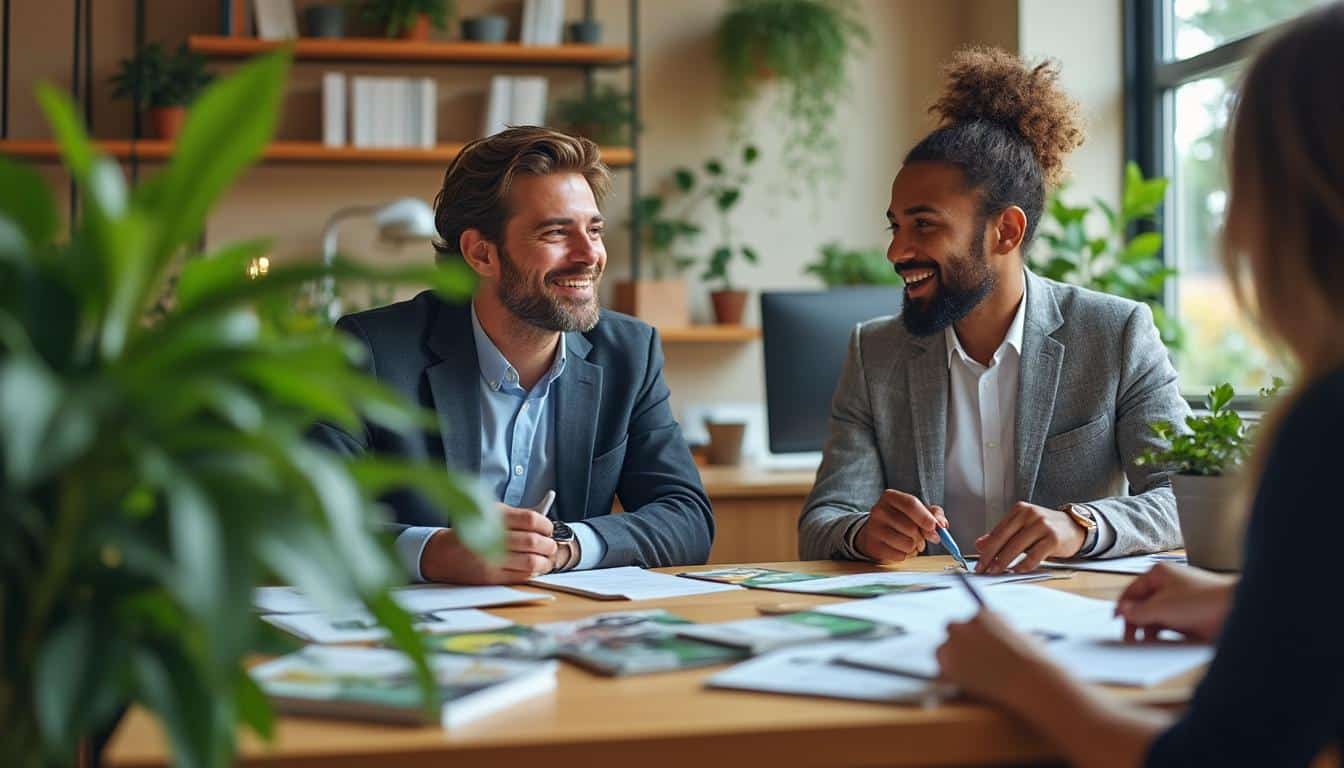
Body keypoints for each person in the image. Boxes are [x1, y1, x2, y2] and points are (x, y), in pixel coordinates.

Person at [936, 5, 1344, 764]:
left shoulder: (1326, 428)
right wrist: (1242, 605)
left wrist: (1023, 676)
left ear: (1284, 210)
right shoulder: (882, 349)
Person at [798, 48, 1189, 572]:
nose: (896, 252)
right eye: (896, 226)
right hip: (926, 621)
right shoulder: (875, 352)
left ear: (1006, 231)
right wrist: (863, 533)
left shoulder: (1115, 333)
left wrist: (1081, 526)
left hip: (1070, 617)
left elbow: (1188, 499)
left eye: (924, 225)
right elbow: (823, 521)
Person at [312, 127, 714, 584]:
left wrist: (560, 546)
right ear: (481, 253)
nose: (589, 256)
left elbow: (687, 519)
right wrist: (433, 552)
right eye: (556, 233)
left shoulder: (629, 353)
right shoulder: (373, 350)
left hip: (563, 626)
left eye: (594, 230)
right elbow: (308, 518)